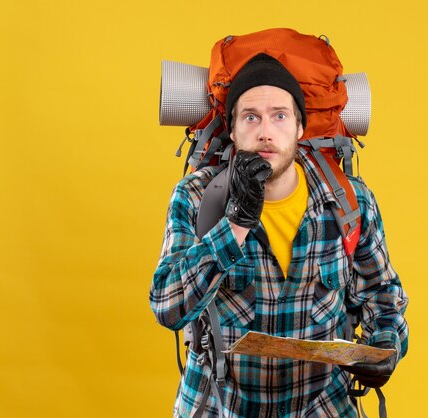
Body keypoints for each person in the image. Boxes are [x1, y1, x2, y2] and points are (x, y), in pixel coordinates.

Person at [150, 53, 409, 418]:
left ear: (300, 128)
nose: (265, 132)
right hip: (220, 404)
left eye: (280, 116)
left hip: (322, 405)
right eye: (251, 117)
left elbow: (384, 297)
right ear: (234, 128)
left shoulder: (350, 201)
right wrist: (236, 222)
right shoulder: (195, 196)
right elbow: (167, 307)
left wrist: (385, 345)